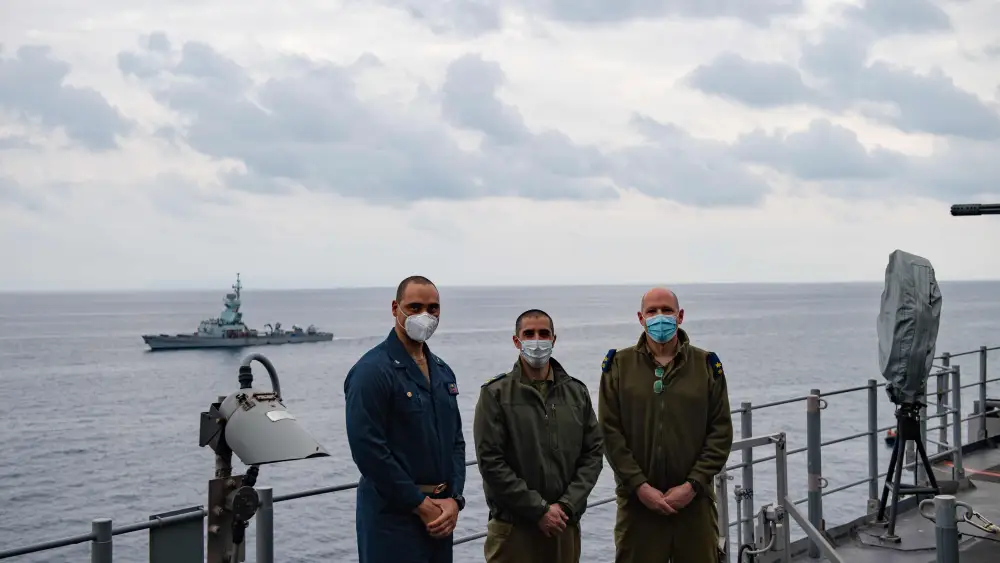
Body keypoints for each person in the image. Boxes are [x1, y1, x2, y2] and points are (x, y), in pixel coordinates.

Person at [598, 287, 733, 562]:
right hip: (638, 508)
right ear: (641, 317)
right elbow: (610, 434)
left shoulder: (706, 365)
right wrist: (640, 486)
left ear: (680, 315)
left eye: (667, 311)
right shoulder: (619, 367)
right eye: (652, 311)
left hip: (694, 506)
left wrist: (692, 485)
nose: (660, 317)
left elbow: (720, 432)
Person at [344, 275, 467, 563]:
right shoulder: (371, 371)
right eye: (414, 307)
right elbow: (369, 451)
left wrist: (455, 500)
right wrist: (418, 503)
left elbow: (456, 441)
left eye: (433, 308)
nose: (424, 316)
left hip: (440, 515)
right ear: (395, 308)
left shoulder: (442, 371)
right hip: (393, 519)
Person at [473, 309, 604, 563]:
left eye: (544, 334)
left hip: (564, 527)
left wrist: (566, 506)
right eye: (529, 334)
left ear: (554, 339)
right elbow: (491, 462)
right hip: (514, 531)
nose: (537, 340)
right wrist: (539, 510)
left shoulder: (576, 393)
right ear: (516, 341)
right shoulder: (495, 394)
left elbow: (593, 454)